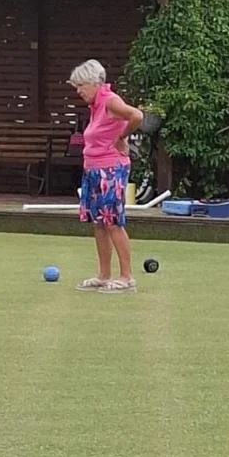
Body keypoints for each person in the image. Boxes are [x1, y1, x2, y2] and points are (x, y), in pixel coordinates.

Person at [68, 59, 144, 293]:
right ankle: (103, 275)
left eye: (81, 85)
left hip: (111, 169)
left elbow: (137, 116)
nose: (78, 91)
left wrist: (121, 138)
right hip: (93, 169)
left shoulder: (110, 101)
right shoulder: (96, 105)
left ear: (94, 82)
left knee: (112, 222)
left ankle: (127, 277)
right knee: (99, 222)